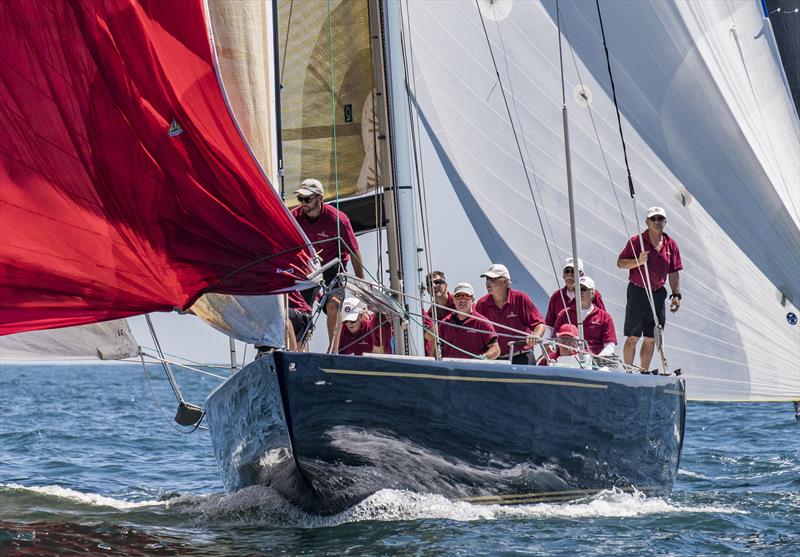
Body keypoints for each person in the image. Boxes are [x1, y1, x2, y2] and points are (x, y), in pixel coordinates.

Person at [291, 178, 365, 347]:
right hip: (308, 268)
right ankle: (298, 352)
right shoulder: (294, 217)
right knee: (300, 311)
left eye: (308, 199)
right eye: (300, 199)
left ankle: (333, 351)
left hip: (333, 266)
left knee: (333, 304)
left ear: (320, 198)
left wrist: (361, 283)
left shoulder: (338, 220)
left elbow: (354, 251)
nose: (303, 204)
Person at [617, 206, 683, 370]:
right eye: (653, 219)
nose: (657, 222)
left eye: (660, 218)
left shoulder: (670, 244)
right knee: (633, 335)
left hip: (658, 293)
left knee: (651, 337)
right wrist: (637, 262)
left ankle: (643, 371)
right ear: (647, 222)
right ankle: (628, 370)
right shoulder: (636, 241)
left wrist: (676, 294)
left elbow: (673, 271)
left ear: (665, 222)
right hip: (638, 291)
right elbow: (620, 263)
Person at [474, 263, 545, 364]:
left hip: (522, 356)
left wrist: (536, 336)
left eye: (492, 279)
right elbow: (477, 333)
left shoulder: (520, 298)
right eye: (487, 279)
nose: (488, 282)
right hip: (495, 359)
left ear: (505, 282)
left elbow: (539, 324)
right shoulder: (482, 304)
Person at [425, 282, 500, 360]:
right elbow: (437, 349)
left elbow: (495, 349)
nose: (462, 300)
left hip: (474, 369)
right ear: (454, 299)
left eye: (466, 296)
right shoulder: (445, 323)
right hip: (451, 370)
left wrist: (483, 357)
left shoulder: (483, 323)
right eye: (458, 296)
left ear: (473, 299)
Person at [552, 276, 617, 357]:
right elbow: (556, 340)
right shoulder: (564, 314)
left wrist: (598, 359)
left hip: (596, 363)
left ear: (592, 293)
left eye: (583, 289)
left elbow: (610, 345)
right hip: (569, 360)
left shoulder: (605, 317)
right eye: (577, 289)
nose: (579, 292)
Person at [544, 257, 606, 338]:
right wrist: (546, 343)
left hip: (588, 345)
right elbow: (549, 325)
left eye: (573, 271)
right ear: (563, 275)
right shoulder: (556, 296)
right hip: (564, 345)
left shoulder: (593, 294)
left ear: (582, 275)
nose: (570, 274)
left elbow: (604, 320)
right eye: (567, 271)